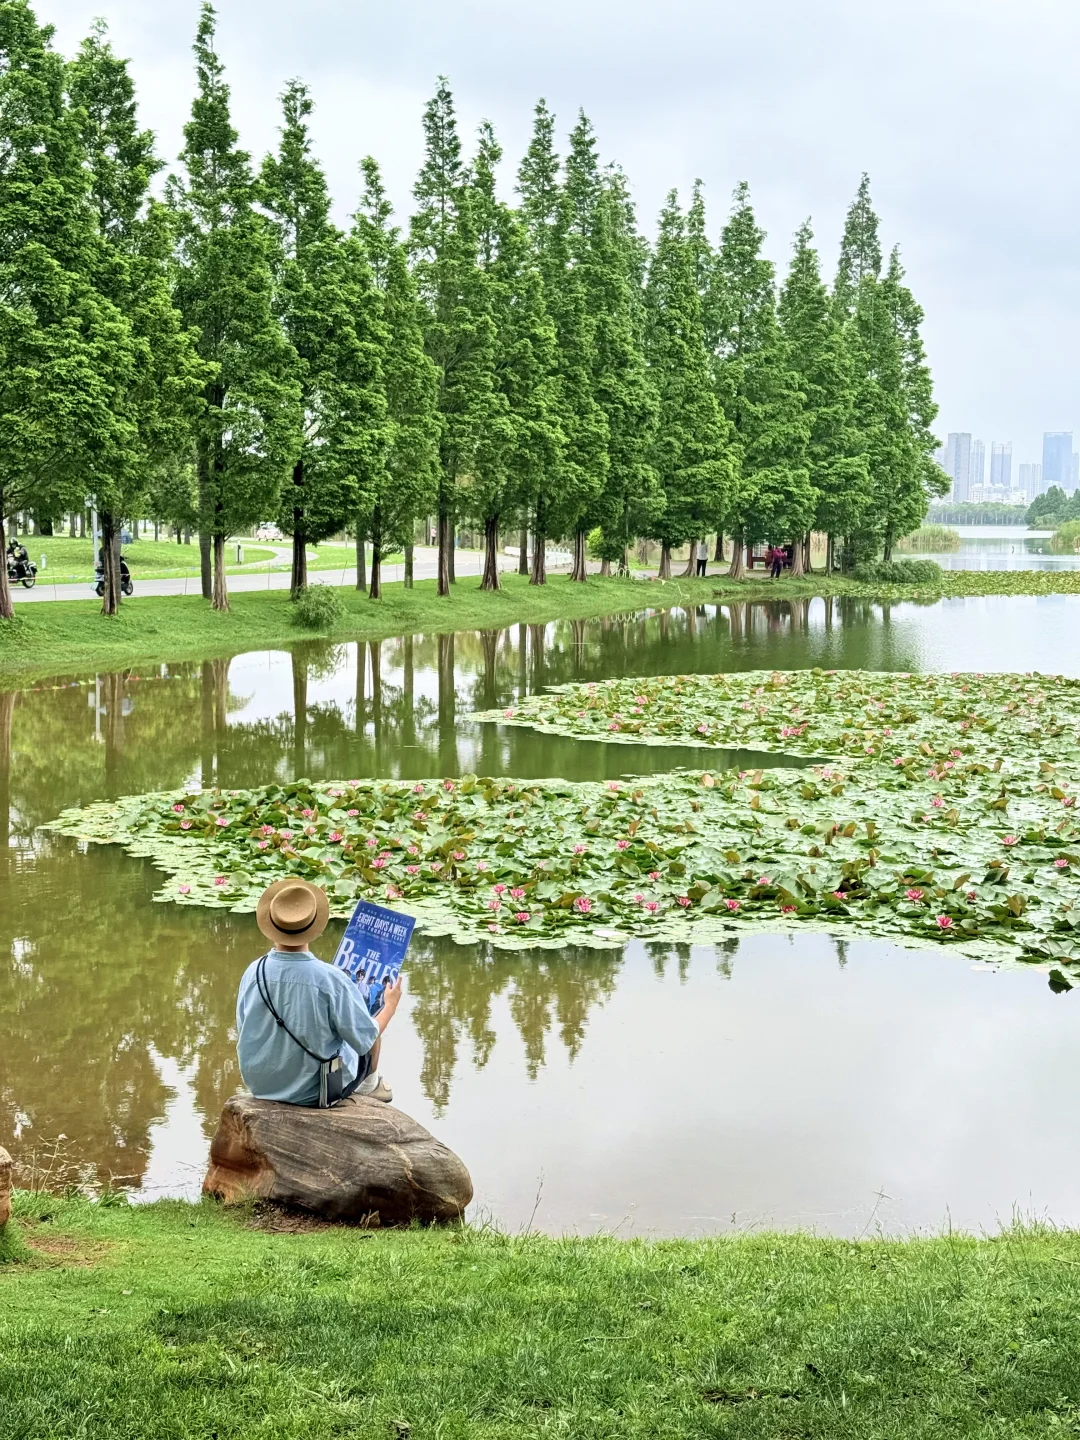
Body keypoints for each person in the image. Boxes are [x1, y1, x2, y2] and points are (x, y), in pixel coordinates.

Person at [235, 879, 401, 1107]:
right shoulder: (331, 979)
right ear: (314, 930)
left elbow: (244, 1029)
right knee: (370, 1025)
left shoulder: (253, 972)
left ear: (272, 927)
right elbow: (367, 1038)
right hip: (315, 1092)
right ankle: (370, 1086)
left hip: (261, 1087)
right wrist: (390, 1006)